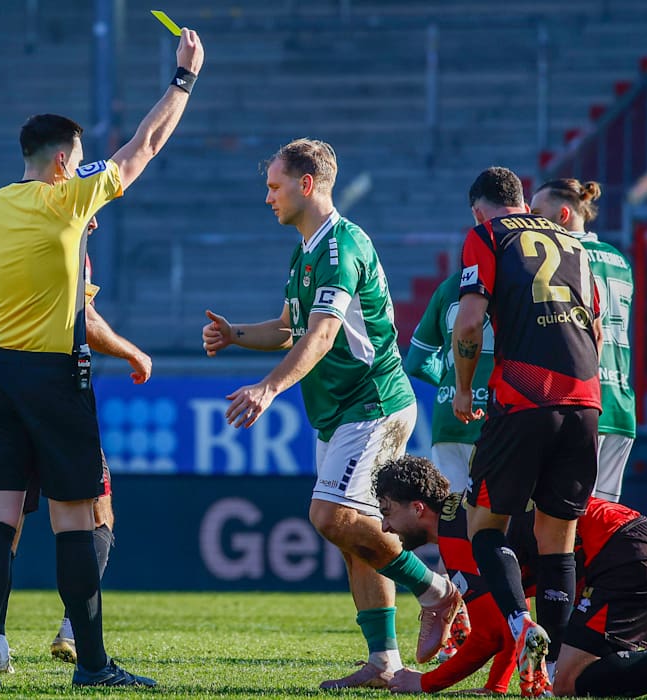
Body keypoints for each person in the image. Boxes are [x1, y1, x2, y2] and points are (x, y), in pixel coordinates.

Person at [0, 28, 204, 689]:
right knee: (75, 520)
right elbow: (144, 145)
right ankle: (90, 664)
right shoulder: (68, 199)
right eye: (82, 159)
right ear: (64, 162)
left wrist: (15, 291)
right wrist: (183, 78)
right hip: (55, 376)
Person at [203, 138, 462, 689]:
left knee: (330, 516)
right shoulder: (307, 250)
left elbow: (321, 335)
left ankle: (437, 591)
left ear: (306, 184)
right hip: (340, 412)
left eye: (274, 186)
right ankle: (384, 662)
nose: (267, 197)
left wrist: (269, 389)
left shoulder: (342, 247)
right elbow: (290, 327)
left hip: (373, 404)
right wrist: (236, 334)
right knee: (353, 536)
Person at [375, 455, 647, 700]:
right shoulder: (467, 512)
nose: (385, 526)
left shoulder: (457, 534)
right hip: (643, 542)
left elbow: (490, 635)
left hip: (623, 553)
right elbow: (510, 622)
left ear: (418, 508)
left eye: (388, 511)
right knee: (593, 672)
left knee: (569, 681)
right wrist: (495, 687)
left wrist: (425, 684)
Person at [0, 216, 148, 673]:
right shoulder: (63, 243)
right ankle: (81, 642)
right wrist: (131, 351)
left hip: (0, 393)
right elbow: (84, 321)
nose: (96, 217)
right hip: (54, 393)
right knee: (88, 515)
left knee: (1, 520)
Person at [452, 166, 603, 696]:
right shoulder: (573, 241)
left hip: (524, 397)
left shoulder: (486, 235)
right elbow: (595, 329)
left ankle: (522, 625)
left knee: (484, 526)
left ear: (479, 208)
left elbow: (469, 322)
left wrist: (464, 389)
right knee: (558, 541)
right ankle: (554, 671)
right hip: (585, 401)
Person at [530, 180, 637, 502]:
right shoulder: (619, 259)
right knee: (602, 515)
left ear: (563, 215)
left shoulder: (559, 257)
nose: (531, 223)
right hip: (619, 403)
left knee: (559, 516)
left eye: (537, 214)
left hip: (578, 402)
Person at [403, 271, 495, 494]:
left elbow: (416, 362)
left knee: (452, 510)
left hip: (449, 415)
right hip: (498, 414)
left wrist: (455, 386)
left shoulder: (449, 286)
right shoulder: (520, 280)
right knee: (498, 511)